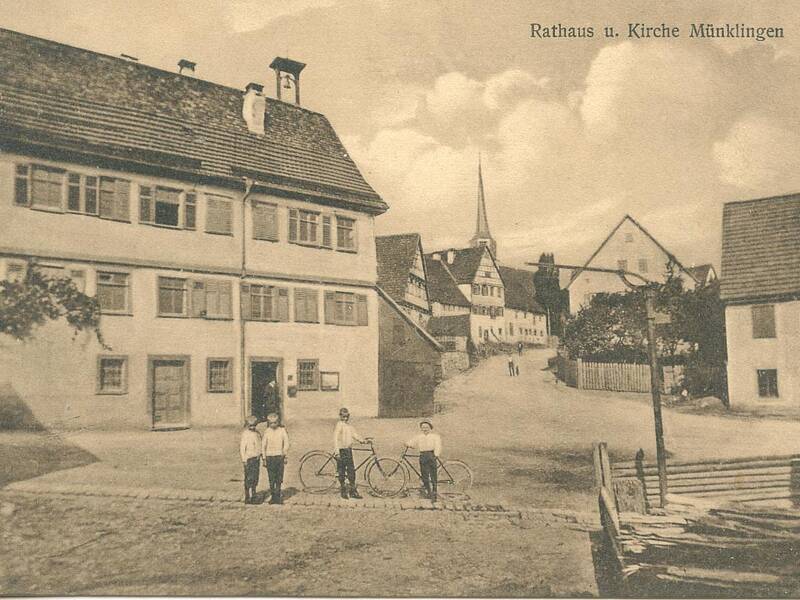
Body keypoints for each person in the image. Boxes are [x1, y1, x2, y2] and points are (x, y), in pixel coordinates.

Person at [333, 407, 367, 499]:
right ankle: (343, 490)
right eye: (343, 416)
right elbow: (335, 439)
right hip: (341, 450)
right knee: (342, 471)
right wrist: (337, 452)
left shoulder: (349, 426)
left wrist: (363, 441)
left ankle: (352, 491)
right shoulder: (339, 425)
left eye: (347, 416)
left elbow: (354, 435)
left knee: (351, 470)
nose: (345, 418)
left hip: (348, 450)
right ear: (340, 416)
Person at [406, 420, 443, 502]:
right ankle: (428, 492)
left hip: (431, 455)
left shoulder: (435, 436)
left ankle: (434, 493)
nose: (425, 429)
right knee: (424, 475)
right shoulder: (419, 436)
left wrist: (436, 455)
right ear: (421, 428)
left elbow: (438, 445)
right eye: (423, 427)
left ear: (430, 428)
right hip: (423, 456)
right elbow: (412, 442)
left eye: (426, 427)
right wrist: (407, 443)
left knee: (433, 475)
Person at [261, 412, 289, 504]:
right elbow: (263, 445)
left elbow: (286, 443)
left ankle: (278, 495)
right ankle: (273, 496)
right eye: (271, 423)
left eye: (275, 422)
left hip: (279, 456)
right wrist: (264, 458)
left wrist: (284, 454)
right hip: (270, 457)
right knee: (272, 477)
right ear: (268, 423)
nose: (273, 425)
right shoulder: (267, 432)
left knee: (279, 477)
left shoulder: (282, 431)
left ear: (278, 422)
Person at [239, 415, 262, 504]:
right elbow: (242, 448)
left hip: (256, 458)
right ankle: (247, 495)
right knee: (248, 477)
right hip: (248, 458)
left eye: (254, 425)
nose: (253, 427)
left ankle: (254, 494)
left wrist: (259, 454)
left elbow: (259, 444)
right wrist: (244, 459)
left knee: (255, 477)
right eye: (250, 426)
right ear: (247, 425)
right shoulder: (245, 435)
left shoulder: (257, 434)